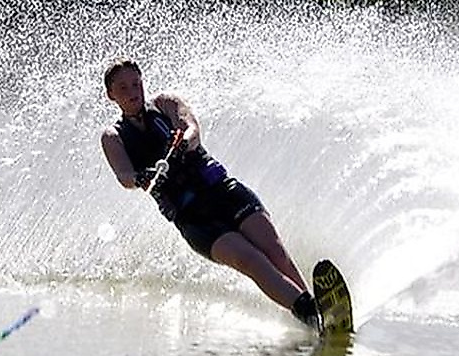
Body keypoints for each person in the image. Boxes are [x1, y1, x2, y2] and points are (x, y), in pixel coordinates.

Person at [99, 57, 320, 329]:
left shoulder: (165, 103)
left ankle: (312, 312)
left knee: (274, 251)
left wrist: (183, 143)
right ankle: (309, 312)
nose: (132, 91)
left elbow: (192, 128)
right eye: (123, 88)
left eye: (136, 83)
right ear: (111, 95)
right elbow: (124, 176)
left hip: (222, 191)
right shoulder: (113, 136)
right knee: (250, 260)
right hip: (193, 218)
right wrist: (141, 177)